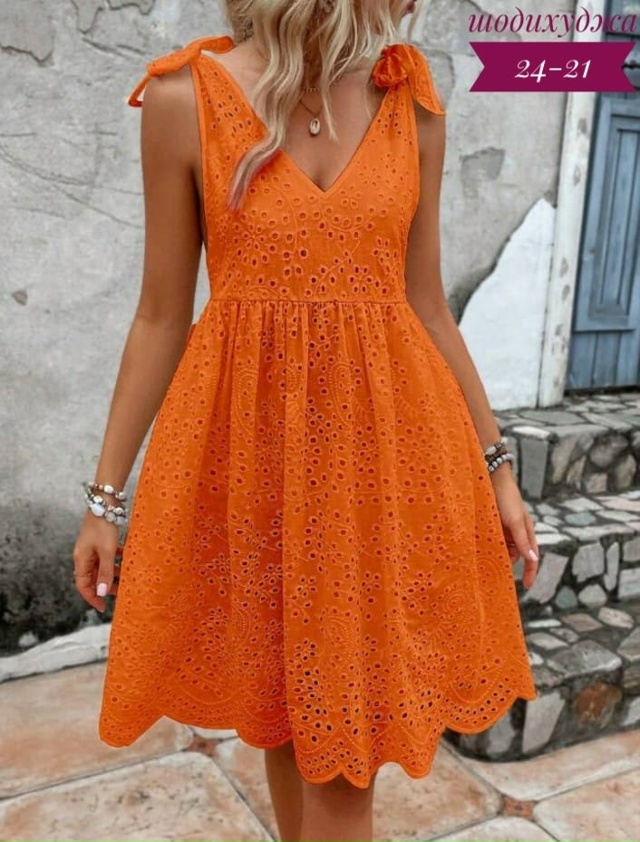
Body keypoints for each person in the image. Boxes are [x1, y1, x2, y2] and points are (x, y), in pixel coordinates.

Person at [72, 2, 540, 841]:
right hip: (253, 466)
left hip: (382, 469)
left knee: (343, 761)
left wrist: (497, 467)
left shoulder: (412, 107)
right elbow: (160, 316)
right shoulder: (184, 99)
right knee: (287, 717)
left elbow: (427, 305)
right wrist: (106, 499)